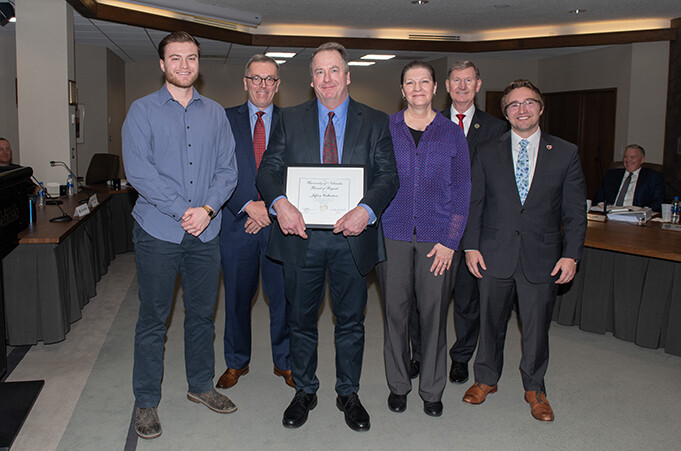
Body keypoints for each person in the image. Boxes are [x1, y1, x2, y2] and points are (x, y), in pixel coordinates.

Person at [255, 42, 399, 432]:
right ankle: (305, 389)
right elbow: (268, 171)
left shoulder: (376, 120)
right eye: (319, 72)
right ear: (310, 80)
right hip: (300, 237)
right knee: (300, 320)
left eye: (334, 70)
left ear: (348, 75)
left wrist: (365, 211)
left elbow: (389, 177)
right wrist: (280, 203)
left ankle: (348, 392)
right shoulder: (287, 119)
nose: (327, 79)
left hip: (352, 238)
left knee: (350, 321)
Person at [121, 31, 239, 440]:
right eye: (176, 58)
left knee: (202, 316)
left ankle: (201, 386)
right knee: (154, 319)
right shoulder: (141, 111)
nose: (184, 65)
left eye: (191, 58)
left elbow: (228, 170)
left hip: (206, 233)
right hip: (158, 231)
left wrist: (206, 210)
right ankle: (146, 401)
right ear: (162, 64)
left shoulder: (216, 114)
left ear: (198, 63)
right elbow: (139, 171)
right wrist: (182, 211)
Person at [461, 79, 586, 423]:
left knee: (535, 327)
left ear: (541, 108)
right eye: (514, 105)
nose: (522, 110)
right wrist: (470, 246)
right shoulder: (486, 151)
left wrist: (571, 255)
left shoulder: (565, 152)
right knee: (489, 323)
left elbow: (574, 213)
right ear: (506, 113)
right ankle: (485, 379)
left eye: (529, 103)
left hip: (542, 258)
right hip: (493, 253)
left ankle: (535, 387)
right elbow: (476, 204)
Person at [377, 61, 470, 418]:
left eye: (424, 82)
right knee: (395, 317)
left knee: (433, 317)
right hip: (392, 236)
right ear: (402, 90)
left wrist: (451, 240)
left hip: (438, 241)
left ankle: (432, 389)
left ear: (435, 88)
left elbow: (462, 189)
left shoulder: (451, 133)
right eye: (410, 83)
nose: (417, 88)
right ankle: (398, 386)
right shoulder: (385, 128)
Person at [216, 54, 293, 390]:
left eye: (270, 79)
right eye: (257, 78)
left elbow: (299, 173)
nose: (263, 85)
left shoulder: (294, 121)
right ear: (245, 82)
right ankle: (236, 362)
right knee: (235, 299)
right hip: (236, 225)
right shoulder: (222, 120)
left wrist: (269, 209)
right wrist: (248, 206)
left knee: (284, 299)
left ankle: (286, 362)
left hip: (280, 226)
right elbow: (214, 171)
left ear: (277, 86)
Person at [593, 144, 665, 212]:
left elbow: (658, 201)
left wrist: (643, 211)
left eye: (632, 157)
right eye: (625, 157)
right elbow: (598, 196)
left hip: (636, 217)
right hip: (610, 214)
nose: (627, 160)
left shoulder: (653, 177)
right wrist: (603, 206)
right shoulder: (611, 175)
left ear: (642, 160)